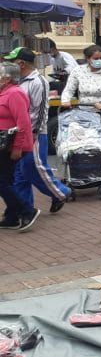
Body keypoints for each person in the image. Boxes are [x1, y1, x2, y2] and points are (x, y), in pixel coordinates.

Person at [7, 48, 70, 214]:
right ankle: (24, 207)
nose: (8, 65)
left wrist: (33, 133)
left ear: (21, 63)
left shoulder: (38, 81)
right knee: (20, 173)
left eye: (12, 61)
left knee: (35, 167)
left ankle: (60, 192)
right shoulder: (16, 81)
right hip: (18, 133)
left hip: (33, 133)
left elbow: (41, 111)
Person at [0, 62, 39, 231]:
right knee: (6, 180)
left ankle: (27, 210)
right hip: (3, 144)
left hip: (11, 145)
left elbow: (23, 123)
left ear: (7, 78)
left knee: (3, 181)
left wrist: (17, 147)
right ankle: (12, 216)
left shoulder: (15, 93)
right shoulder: (4, 92)